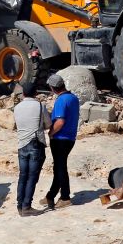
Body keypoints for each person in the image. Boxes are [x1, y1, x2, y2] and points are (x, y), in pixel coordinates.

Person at [42, 73, 79, 210]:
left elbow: (60, 121)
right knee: (59, 167)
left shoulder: (61, 100)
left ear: (52, 88)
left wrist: (51, 133)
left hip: (60, 139)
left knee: (60, 167)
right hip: (70, 138)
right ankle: (50, 195)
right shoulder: (73, 98)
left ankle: (65, 197)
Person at [13, 81, 50, 216]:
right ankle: (27, 206)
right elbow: (48, 123)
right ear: (36, 93)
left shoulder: (17, 107)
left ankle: (20, 205)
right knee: (32, 177)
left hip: (22, 144)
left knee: (22, 176)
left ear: (23, 94)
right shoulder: (40, 106)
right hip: (35, 143)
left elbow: (17, 124)